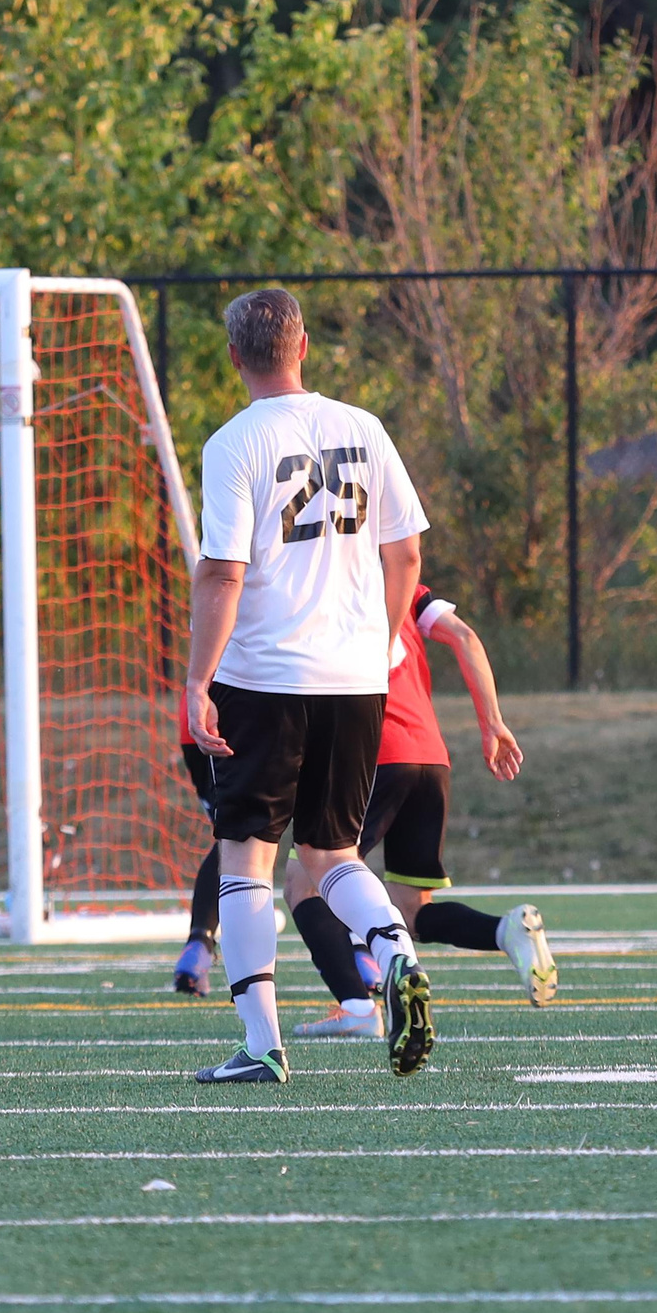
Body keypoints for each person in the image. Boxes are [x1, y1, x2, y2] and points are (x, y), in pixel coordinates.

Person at [184, 286, 434, 1084]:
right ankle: (393, 950)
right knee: (333, 851)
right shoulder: (364, 426)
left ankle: (262, 1043)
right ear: (304, 347)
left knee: (247, 857)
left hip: (266, 675)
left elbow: (223, 573)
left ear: (235, 358)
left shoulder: (233, 442)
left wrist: (197, 679)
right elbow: (408, 553)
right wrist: (383, 638)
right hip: (356, 678)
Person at [293, 585, 556, 1040]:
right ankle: (506, 931)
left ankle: (357, 1006)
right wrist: (492, 722)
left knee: (304, 882)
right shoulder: (408, 591)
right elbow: (465, 637)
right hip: (431, 758)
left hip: (373, 751)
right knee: (413, 909)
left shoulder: (327, 580)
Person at [170, 694, 222, 997]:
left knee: (235, 841)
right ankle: (362, 955)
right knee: (248, 845)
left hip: (195, 719)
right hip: (246, 712)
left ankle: (199, 940)